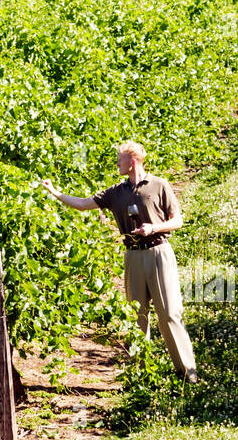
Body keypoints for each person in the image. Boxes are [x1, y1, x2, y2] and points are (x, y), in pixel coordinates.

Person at [40, 140, 198, 383]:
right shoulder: (116, 192)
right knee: (136, 317)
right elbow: (83, 204)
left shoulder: (159, 185)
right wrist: (55, 192)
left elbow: (177, 220)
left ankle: (188, 374)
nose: (117, 163)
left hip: (159, 253)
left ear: (132, 161)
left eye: (120, 159)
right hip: (133, 256)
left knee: (169, 314)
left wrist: (154, 227)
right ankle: (141, 377)